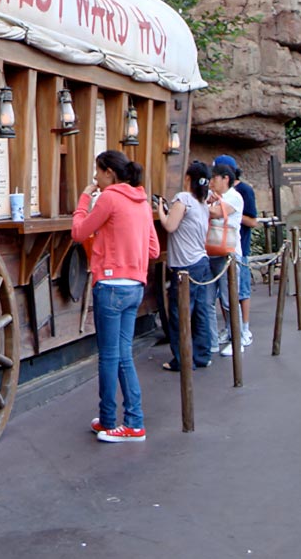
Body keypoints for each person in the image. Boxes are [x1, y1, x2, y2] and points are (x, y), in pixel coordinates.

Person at [72, 150, 159, 443]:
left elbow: (79, 232)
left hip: (110, 286)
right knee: (123, 356)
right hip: (135, 287)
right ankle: (130, 420)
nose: (95, 178)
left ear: (109, 172)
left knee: (110, 358)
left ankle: (115, 421)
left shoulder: (108, 198)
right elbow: (153, 250)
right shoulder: (143, 202)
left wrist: (84, 199)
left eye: (97, 172)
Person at [155, 160, 213, 374]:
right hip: (201, 262)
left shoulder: (183, 199)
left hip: (185, 266)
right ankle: (202, 355)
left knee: (180, 314)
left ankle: (182, 359)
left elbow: (170, 226)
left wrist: (161, 209)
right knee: (200, 313)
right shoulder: (203, 202)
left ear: (188, 178)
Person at [213, 155, 256, 354]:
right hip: (214, 250)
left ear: (225, 178)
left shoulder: (235, 196)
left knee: (231, 297)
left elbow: (215, 213)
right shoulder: (217, 195)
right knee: (221, 298)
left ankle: (238, 337)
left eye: (214, 178)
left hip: (230, 252)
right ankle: (225, 335)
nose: (211, 182)